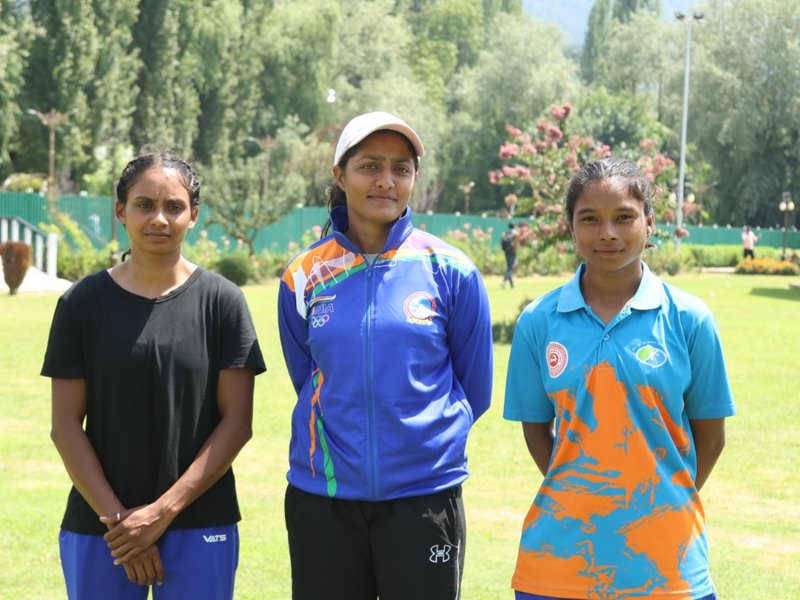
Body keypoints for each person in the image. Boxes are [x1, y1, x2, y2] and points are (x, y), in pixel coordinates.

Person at [278, 111, 493, 600]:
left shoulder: (451, 270)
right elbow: (308, 378)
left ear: (414, 178)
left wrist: (424, 450)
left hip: (423, 497)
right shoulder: (303, 275)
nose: (386, 181)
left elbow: (473, 390)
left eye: (401, 168)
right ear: (340, 175)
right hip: (323, 498)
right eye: (370, 166)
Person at [504, 157, 735, 600]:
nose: (607, 233)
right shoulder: (539, 321)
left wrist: (664, 495)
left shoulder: (689, 319)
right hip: (558, 564)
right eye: (589, 219)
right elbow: (535, 427)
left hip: (668, 565)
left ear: (649, 223)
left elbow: (712, 434)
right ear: (571, 228)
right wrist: (580, 487)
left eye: (624, 217)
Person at [42, 152, 266, 599]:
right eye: (144, 205)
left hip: (200, 521)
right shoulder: (81, 304)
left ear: (194, 215)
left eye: (174, 207)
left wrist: (161, 513)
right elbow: (65, 426)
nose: (159, 219)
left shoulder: (222, 303)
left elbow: (237, 424)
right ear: (121, 211)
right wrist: (120, 522)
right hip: (102, 528)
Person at [501, 222, 519, 288]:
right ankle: (503, 280)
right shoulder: (515, 233)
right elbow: (517, 242)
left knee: (509, 268)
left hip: (506, 252)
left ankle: (512, 285)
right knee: (511, 269)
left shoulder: (506, 233)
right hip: (513, 252)